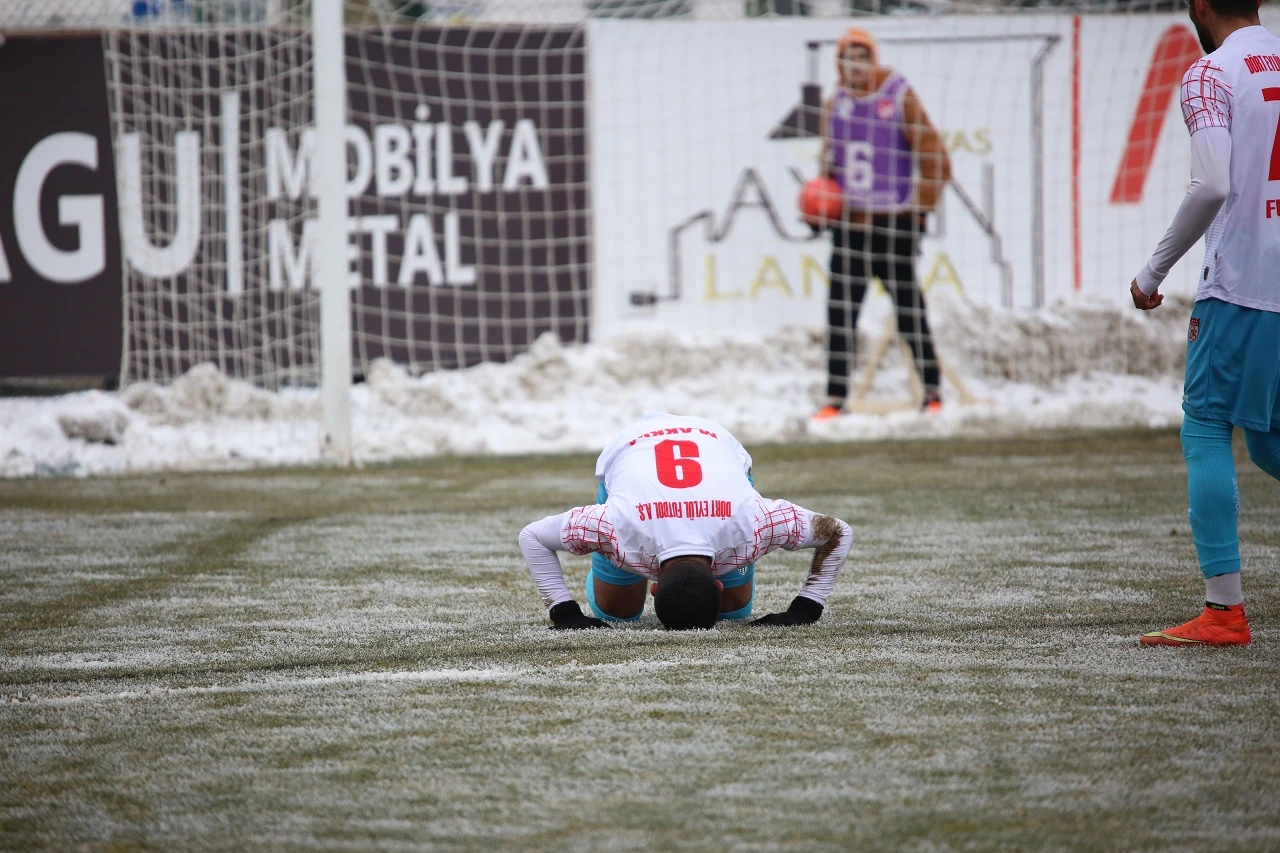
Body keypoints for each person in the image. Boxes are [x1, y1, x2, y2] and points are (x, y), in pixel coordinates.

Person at [1129, 0, 1280, 646]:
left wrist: (1152, 272)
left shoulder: (1210, 74)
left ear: (1198, 5)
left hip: (1244, 284)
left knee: (1207, 426)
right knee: (1271, 441)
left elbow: (1212, 184)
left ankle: (1224, 609)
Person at [518, 412, 853, 630]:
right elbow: (838, 531)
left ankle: (622, 572)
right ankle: (614, 574)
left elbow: (533, 536)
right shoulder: (752, 526)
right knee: (617, 611)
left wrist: (564, 612)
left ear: (654, 588)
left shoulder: (749, 523)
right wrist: (805, 610)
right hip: (634, 457)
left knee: (732, 612)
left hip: (711, 451)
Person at [807, 27, 951, 420]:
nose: (854, 64)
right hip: (851, 227)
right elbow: (830, 167)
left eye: (862, 55)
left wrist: (920, 209)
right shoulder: (833, 104)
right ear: (838, 64)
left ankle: (932, 393)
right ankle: (835, 400)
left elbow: (936, 157)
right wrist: (819, 205)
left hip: (894, 225)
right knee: (839, 313)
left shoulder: (899, 94)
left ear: (873, 59)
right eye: (846, 56)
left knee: (909, 310)